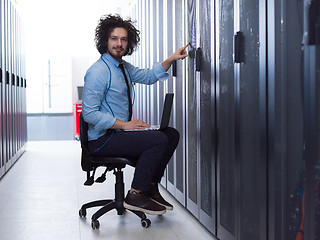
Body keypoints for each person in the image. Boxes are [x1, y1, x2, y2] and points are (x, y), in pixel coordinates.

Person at [82, 14, 188, 216]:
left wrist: (172, 58)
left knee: (171, 134)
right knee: (157, 140)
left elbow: (148, 76)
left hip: (117, 134)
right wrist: (125, 125)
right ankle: (136, 194)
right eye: (114, 38)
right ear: (105, 40)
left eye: (123, 39)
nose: (119, 44)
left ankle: (150, 187)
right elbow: (89, 114)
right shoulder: (98, 72)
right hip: (102, 139)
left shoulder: (122, 67)